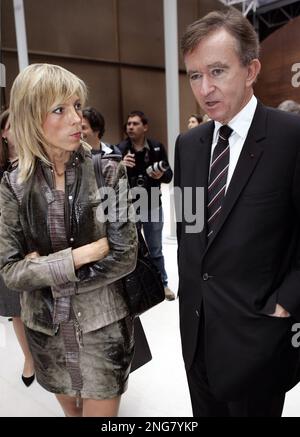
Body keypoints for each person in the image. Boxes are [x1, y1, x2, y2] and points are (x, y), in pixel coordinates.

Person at [174, 7, 300, 417]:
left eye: (217, 71)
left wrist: (284, 305)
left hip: (260, 341)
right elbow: (190, 229)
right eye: (195, 75)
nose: (205, 88)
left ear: (251, 70)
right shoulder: (188, 146)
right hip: (197, 338)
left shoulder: (290, 137)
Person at [0, 63, 137, 417]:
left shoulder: (108, 172)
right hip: (46, 332)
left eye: (77, 106)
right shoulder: (13, 185)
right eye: (60, 109)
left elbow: (124, 256)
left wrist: (42, 269)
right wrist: (79, 256)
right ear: (31, 117)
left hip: (103, 326)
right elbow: (12, 272)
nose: (77, 118)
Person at [118, 110, 175, 301]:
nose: (130, 127)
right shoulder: (121, 149)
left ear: (145, 127)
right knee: (131, 250)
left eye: (135, 123)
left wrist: (161, 175)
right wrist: (121, 166)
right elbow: (112, 179)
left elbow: (169, 175)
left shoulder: (157, 148)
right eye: (128, 124)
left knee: (155, 249)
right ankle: (134, 288)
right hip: (130, 206)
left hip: (152, 204)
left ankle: (163, 284)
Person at [0, 109, 35, 387]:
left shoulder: (37, 161)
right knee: (16, 309)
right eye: (13, 125)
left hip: (39, 246)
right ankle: (29, 358)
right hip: (8, 247)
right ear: (3, 132)